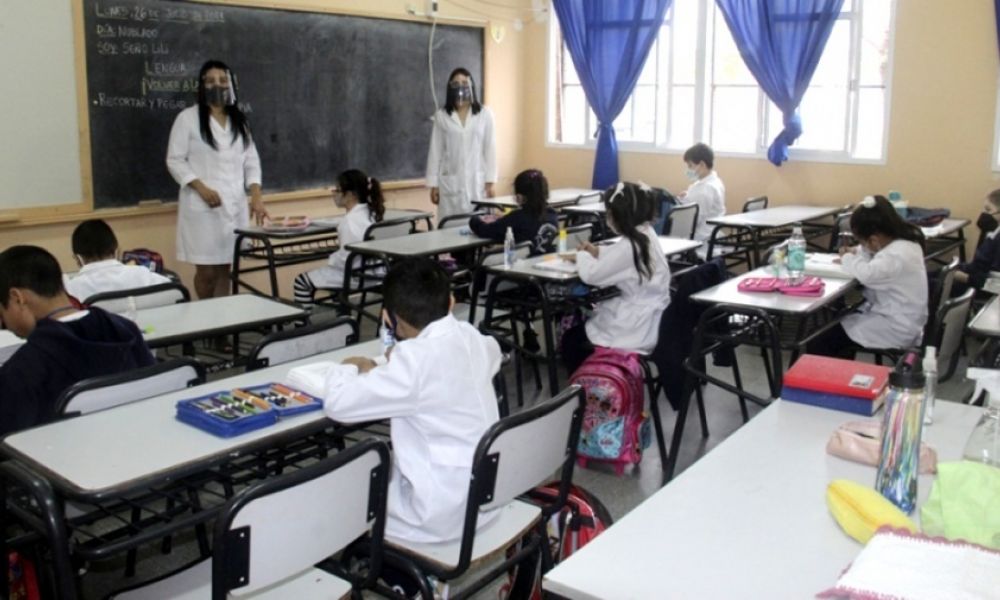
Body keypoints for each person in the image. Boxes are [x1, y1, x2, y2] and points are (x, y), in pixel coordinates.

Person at [286, 258, 502, 544]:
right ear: (451, 302)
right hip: (488, 495)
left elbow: (339, 404)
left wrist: (349, 366)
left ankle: (396, 576)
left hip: (440, 514)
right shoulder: (470, 336)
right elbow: (493, 352)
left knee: (342, 494)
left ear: (388, 319)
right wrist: (398, 362)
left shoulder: (415, 362)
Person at [0, 246, 155, 436]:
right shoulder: (125, 329)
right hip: (140, 441)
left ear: (17, 298)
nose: (5, 322)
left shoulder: (24, 368)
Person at [166, 59, 268, 302]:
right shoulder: (187, 119)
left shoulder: (239, 121)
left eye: (223, 80)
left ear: (231, 85)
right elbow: (175, 160)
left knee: (226, 267)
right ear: (201, 86)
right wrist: (200, 187)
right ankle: (206, 318)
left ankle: (223, 327)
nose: (217, 85)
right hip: (203, 208)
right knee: (206, 270)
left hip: (233, 206)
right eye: (210, 80)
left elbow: (251, 159)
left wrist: (256, 197)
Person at [561, 182, 672, 373]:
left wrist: (583, 256)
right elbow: (619, 257)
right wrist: (597, 251)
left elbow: (592, 275)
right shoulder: (646, 234)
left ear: (619, 216)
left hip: (635, 326)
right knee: (586, 327)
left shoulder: (630, 245)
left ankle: (586, 390)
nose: (607, 218)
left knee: (571, 340)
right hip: (653, 316)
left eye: (609, 213)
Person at [807, 196, 928, 359]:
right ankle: (840, 378)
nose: (863, 246)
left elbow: (867, 274)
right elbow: (869, 253)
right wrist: (857, 251)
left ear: (874, 239)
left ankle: (831, 381)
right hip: (904, 319)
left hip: (895, 327)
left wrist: (847, 257)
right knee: (835, 329)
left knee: (820, 339)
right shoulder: (906, 243)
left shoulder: (894, 256)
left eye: (862, 241)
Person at [293, 169, 386, 308]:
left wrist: (331, 258)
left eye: (337, 190)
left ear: (349, 195)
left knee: (301, 282)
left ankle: (303, 326)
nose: (334, 194)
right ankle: (343, 317)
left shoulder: (349, 221)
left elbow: (346, 259)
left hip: (358, 276)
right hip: (378, 273)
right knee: (332, 276)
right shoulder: (371, 212)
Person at [426, 67, 497, 221]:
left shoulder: (485, 114)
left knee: (479, 228)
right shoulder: (442, 116)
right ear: (450, 87)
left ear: (471, 86)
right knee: (450, 231)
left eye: (465, 82)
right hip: (451, 184)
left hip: (478, 183)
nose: (461, 86)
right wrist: (434, 184)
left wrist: (490, 182)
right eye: (456, 83)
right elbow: (435, 151)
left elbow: (490, 149)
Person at [64, 219, 171, 303]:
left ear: (78, 259)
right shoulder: (140, 274)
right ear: (117, 251)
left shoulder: (72, 290)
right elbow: (177, 291)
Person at [469, 168, 558, 256]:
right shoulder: (553, 214)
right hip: (546, 262)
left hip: (521, 266)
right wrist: (504, 218)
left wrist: (476, 218)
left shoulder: (517, 218)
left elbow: (484, 230)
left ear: (519, 197)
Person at [678, 143, 726, 247]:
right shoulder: (714, 182)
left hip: (701, 240)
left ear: (702, 165)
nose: (688, 170)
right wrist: (688, 196)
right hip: (710, 234)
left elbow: (695, 219)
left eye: (690, 165)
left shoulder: (705, 189)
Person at [954, 188, 1000, 293]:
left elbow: (996, 285)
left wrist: (965, 277)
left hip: (978, 287)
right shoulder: (995, 232)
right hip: (973, 274)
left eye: (988, 210)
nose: (984, 214)